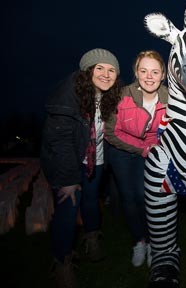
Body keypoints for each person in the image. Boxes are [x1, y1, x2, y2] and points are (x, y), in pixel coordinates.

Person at [40, 48, 122, 287]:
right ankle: (62, 262)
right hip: (67, 162)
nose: (106, 75)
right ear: (87, 71)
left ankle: (92, 239)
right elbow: (59, 139)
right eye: (100, 68)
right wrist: (67, 179)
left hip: (94, 159)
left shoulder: (109, 95)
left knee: (90, 200)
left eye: (112, 70)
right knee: (68, 207)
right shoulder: (68, 94)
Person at [104, 50, 168, 268]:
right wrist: (142, 148)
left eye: (155, 72)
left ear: (163, 75)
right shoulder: (122, 95)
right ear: (136, 73)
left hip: (151, 150)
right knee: (128, 196)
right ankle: (138, 241)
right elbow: (111, 133)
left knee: (144, 195)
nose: (149, 76)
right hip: (121, 150)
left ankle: (153, 242)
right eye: (144, 71)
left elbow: (173, 131)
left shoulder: (171, 99)